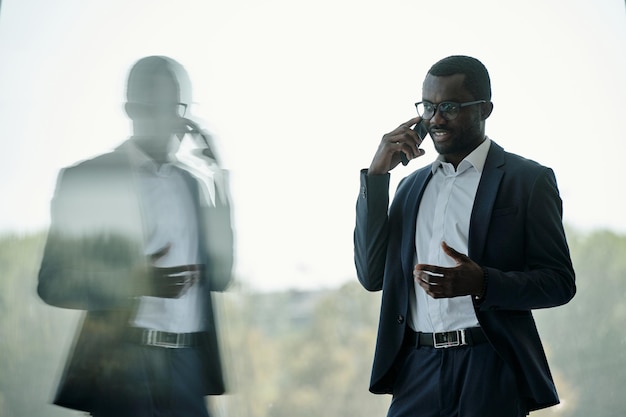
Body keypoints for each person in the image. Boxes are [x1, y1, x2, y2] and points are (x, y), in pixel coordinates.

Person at [353, 55, 576, 416]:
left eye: (450, 107)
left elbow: (559, 283)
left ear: (484, 109)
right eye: (428, 107)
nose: (435, 119)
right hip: (417, 370)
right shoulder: (409, 188)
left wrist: (484, 282)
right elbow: (371, 275)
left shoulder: (527, 180)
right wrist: (377, 177)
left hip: (490, 364)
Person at [38, 55, 234, 417]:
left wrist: (218, 176)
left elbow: (221, 276)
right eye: (160, 107)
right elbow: (53, 284)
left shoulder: (193, 184)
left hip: (189, 367)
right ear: (132, 110)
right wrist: (134, 281)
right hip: (122, 367)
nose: (174, 120)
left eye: (179, 108)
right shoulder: (88, 179)